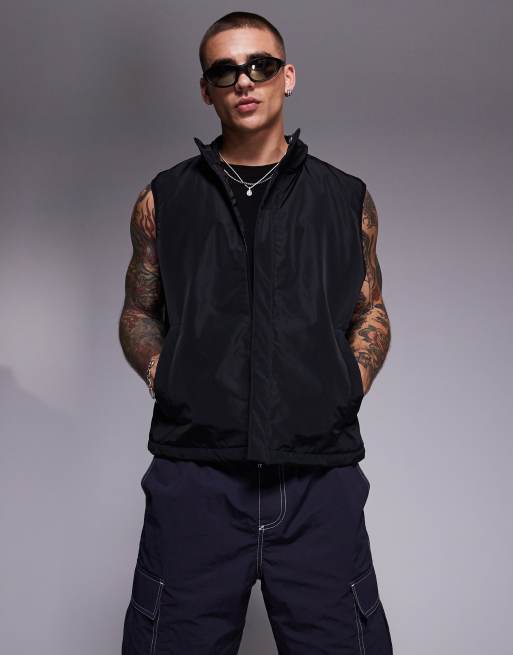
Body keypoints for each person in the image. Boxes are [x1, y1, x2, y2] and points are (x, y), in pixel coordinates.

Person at [118, 10, 392, 655]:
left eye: (260, 66)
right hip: (196, 478)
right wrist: (165, 376)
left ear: (286, 76)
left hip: (318, 479)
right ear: (206, 90)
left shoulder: (346, 198)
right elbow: (138, 311)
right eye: (225, 71)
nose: (244, 81)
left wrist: (343, 387)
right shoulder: (164, 198)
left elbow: (371, 311)